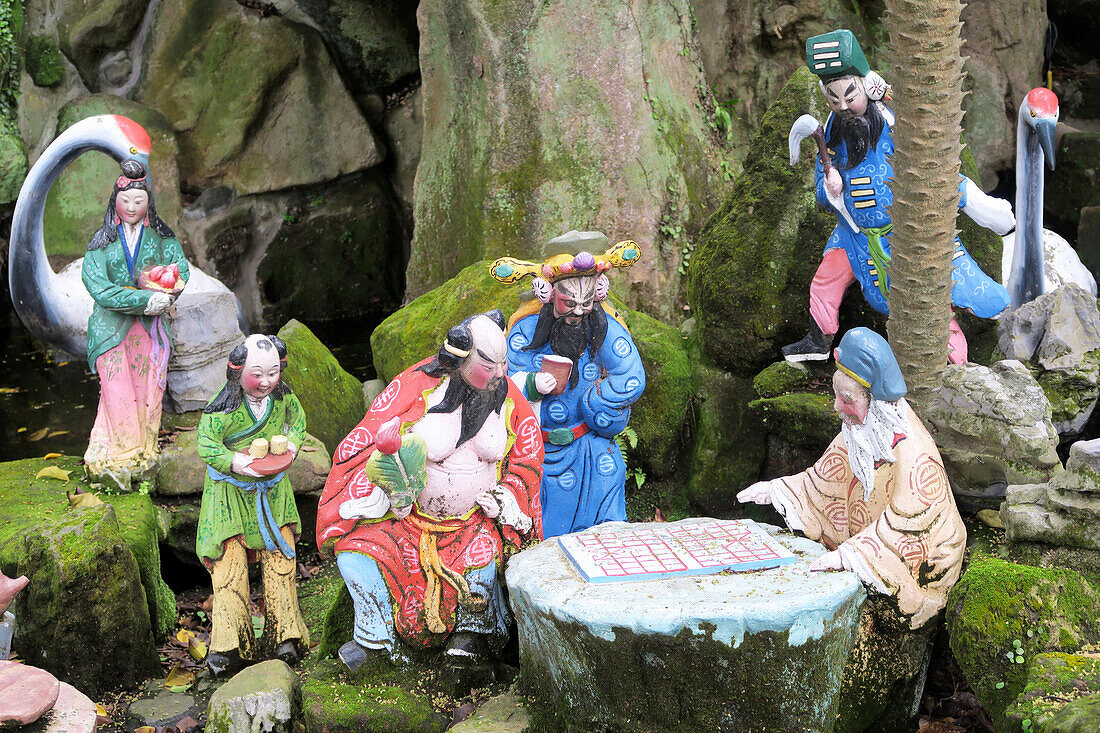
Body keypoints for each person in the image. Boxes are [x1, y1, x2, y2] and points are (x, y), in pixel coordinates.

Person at [317, 311, 543, 669]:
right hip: (406, 522)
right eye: (489, 364)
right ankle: (375, 640)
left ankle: (473, 639)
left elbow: (527, 458)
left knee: (483, 560)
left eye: (504, 363)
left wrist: (508, 499)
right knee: (358, 555)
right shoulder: (414, 387)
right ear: (461, 358)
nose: (500, 373)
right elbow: (366, 445)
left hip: (474, 523)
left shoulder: (508, 397)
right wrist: (390, 492)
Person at [783, 29, 1015, 365]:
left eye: (851, 96)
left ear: (867, 86)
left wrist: (979, 204)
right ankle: (819, 339)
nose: (845, 107)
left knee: (932, 299)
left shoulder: (896, 127)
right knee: (825, 279)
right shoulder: (831, 136)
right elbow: (821, 187)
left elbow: (936, 173)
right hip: (853, 235)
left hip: (906, 234)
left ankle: (956, 367)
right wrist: (829, 188)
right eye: (835, 100)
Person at [739, 327, 966, 629]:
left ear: (876, 401)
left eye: (846, 400)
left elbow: (911, 524)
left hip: (919, 570)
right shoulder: (861, 431)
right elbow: (822, 481)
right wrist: (779, 490)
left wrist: (853, 556)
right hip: (864, 545)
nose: (836, 407)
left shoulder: (913, 454)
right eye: (837, 397)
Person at [490, 232, 646, 538]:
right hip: (540, 450)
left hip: (591, 447)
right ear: (549, 293)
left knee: (607, 510)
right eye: (569, 302)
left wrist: (596, 403)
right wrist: (532, 384)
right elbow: (499, 382)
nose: (578, 311)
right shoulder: (525, 331)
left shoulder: (604, 327)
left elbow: (631, 376)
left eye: (587, 302)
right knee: (542, 523)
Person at [196, 334, 310, 676]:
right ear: (237, 370)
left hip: (274, 492)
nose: (265, 382)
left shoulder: (285, 399)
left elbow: (298, 424)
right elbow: (205, 444)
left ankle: (285, 634)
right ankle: (230, 645)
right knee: (229, 567)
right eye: (256, 374)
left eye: (273, 373)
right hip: (229, 496)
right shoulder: (221, 409)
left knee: (282, 559)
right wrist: (234, 461)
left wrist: (290, 445)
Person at [82, 159, 189, 489]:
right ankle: (120, 458)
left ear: (149, 202)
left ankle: (143, 453)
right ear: (115, 200)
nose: (131, 207)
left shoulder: (161, 237)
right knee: (116, 390)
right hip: (111, 330)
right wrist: (145, 300)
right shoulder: (101, 243)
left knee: (147, 389)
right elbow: (98, 287)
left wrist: (169, 291)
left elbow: (180, 270)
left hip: (151, 329)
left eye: (139, 201)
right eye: (125, 200)